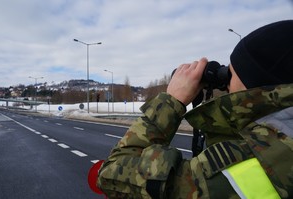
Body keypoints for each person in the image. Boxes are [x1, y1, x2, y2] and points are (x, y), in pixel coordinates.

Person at [97, 20, 293, 198]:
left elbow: (112, 175)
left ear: (255, 85)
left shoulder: (257, 162)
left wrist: (172, 100)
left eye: (230, 74)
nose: (225, 85)